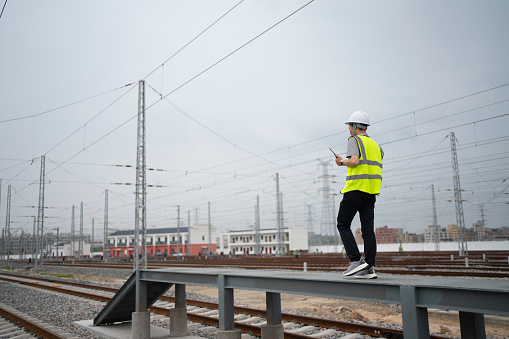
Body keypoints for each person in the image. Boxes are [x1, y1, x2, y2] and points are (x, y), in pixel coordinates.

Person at [334, 110, 383, 279]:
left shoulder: (354, 140)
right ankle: (370, 266)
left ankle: (356, 260)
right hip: (371, 192)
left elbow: (354, 161)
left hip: (356, 188)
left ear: (355, 126)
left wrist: (341, 162)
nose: (349, 130)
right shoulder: (376, 146)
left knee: (342, 223)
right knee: (368, 230)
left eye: (349, 126)